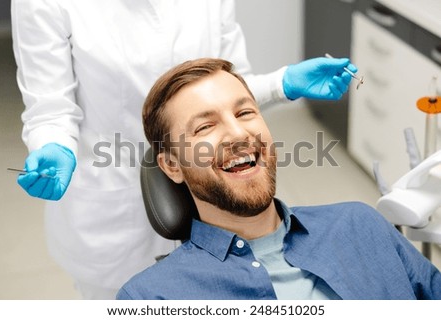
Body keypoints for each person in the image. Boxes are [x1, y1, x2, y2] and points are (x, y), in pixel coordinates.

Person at [11, 0, 356, 299]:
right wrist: (53, 144)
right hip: (114, 208)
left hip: (206, 199)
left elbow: (225, 87)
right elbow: (51, 107)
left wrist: (282, 83)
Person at [117, 58, 441, 300]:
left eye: (245, 113)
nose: (238, 133)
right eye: (205, 127)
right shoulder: (150, 298)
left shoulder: (360, 223)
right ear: (172, 165)